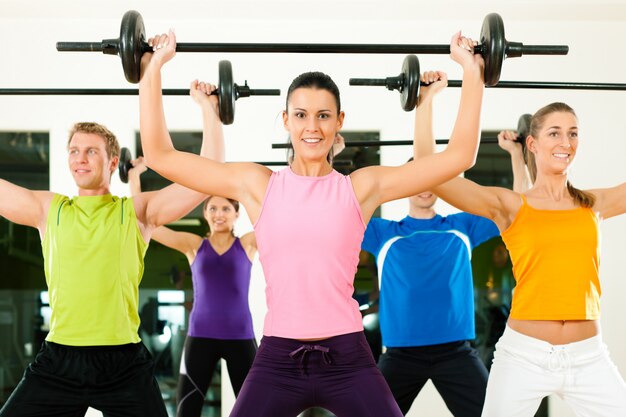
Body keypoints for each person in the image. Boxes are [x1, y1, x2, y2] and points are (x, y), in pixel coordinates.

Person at [138, 28, 485, 416]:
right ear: (286, 120)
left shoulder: (361, 187)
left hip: (348, 357)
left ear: (339, 121)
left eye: (323, 116)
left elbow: (459, 157)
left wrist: (472, 72)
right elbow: (159, 155)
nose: (312, 127)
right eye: (301, 115)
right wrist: (152, 70)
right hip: (278, 359)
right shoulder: (257, 185)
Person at [0, 84, 217, 417]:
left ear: (113, 160)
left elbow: (208, 178)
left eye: (91, 151)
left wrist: (209, 109)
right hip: (60, 358)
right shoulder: (49, 210)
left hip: (123, 362)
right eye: (74, 150)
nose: (80, 158)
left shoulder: (135, 212)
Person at [415, 101, 626, 416]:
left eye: (573, 134)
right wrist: (425, 101)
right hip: (524, 357)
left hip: (588, 357)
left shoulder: (592, 205)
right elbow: (428, 172)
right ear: (533, 143)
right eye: (554, 133)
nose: (565, 143)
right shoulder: (511, 205)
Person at [359, 71, 530, 417]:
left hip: (456, 352)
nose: (424, 185)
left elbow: (519, 206)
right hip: (400, 354)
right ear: (403, 185)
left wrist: (516, 153)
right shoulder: (382, 232)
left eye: (431, 178)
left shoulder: (463, 226)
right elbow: (335, 213)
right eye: (415, 179)